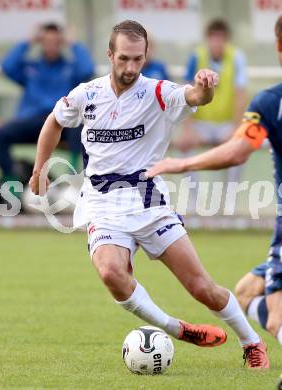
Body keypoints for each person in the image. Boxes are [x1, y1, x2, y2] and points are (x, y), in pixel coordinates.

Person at [29, 20, 269, 369]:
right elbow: (54, 121)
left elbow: (194, 96)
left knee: (202, 287)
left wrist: (205, 86)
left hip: (149, 202)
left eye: (137, 60)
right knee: (112, 273)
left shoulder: (157, 92)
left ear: (145, 57)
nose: (130, 67)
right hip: (103, 203)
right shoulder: (87, 94)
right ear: (109, 55)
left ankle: (252, 342)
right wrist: (39, 169)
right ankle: (176, 328)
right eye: (123, 58)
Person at [146, 14, 282, 352]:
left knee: (276, 313)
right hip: (206, 121)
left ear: (278, 47)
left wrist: (182, 163)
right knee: (249, 291)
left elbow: (238, 152)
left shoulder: (272, 102)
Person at [0, 22, 95, 183]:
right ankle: (11, 179)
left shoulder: (70, 68)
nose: (51, 46)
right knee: (2, 134)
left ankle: (74, 178)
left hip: (60, 122)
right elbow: (7, 66)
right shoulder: (30, 67)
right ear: (41, 42)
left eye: (55, 41)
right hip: (31, 121)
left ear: (61, 43)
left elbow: (87, 69)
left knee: (81, 128)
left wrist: (73, 43)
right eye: (46, 41)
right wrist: (28, 41)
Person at [175, 19, 247, 208]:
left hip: (225, 124)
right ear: (208, 39)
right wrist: (188, 130)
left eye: (221, 38)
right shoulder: (197, 56)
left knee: (239, 148)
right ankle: (195, 204)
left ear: (226, 39)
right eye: (213, 38)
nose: (217, 42)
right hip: (201, 124)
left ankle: (228, 206)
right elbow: (186, 93)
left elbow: (240, 95)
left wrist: (236, 129)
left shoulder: (236, 57)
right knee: (184, 146)